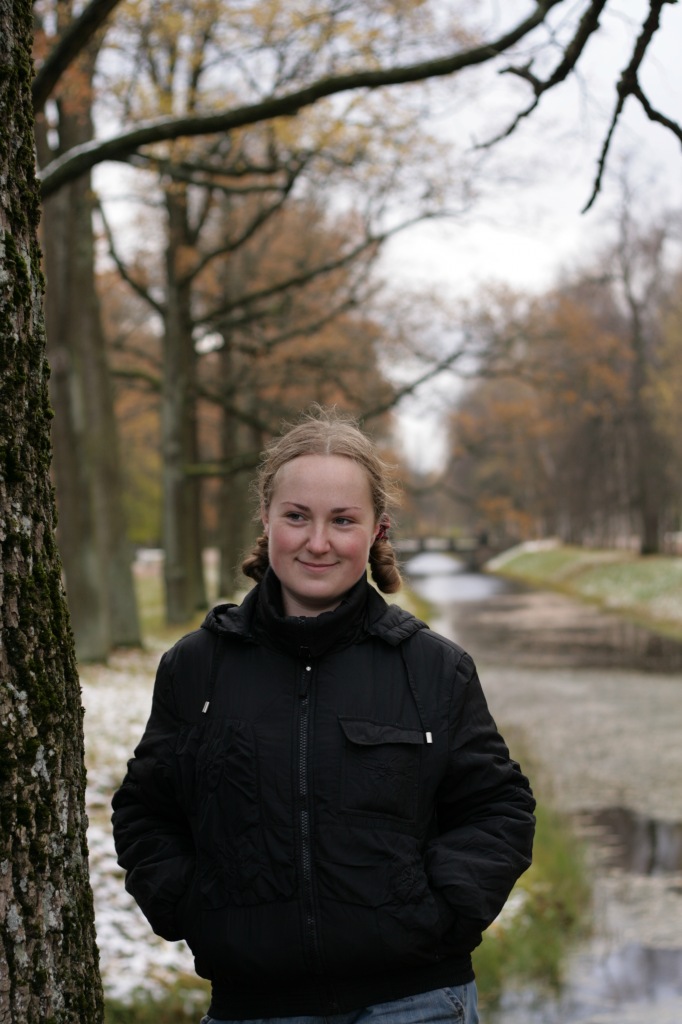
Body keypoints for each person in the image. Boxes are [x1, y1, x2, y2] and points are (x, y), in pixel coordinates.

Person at [112, 405, 535, 1024]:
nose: (318, 542)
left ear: (376, 531)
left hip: (416, 1003)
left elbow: (498, 807)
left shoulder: (433, 668)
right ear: (266, 519)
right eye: (296, 517)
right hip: (255, 1008)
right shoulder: (197, 667)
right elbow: (146, 810)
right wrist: (192, 909)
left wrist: (442, 912)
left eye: (342, 520)